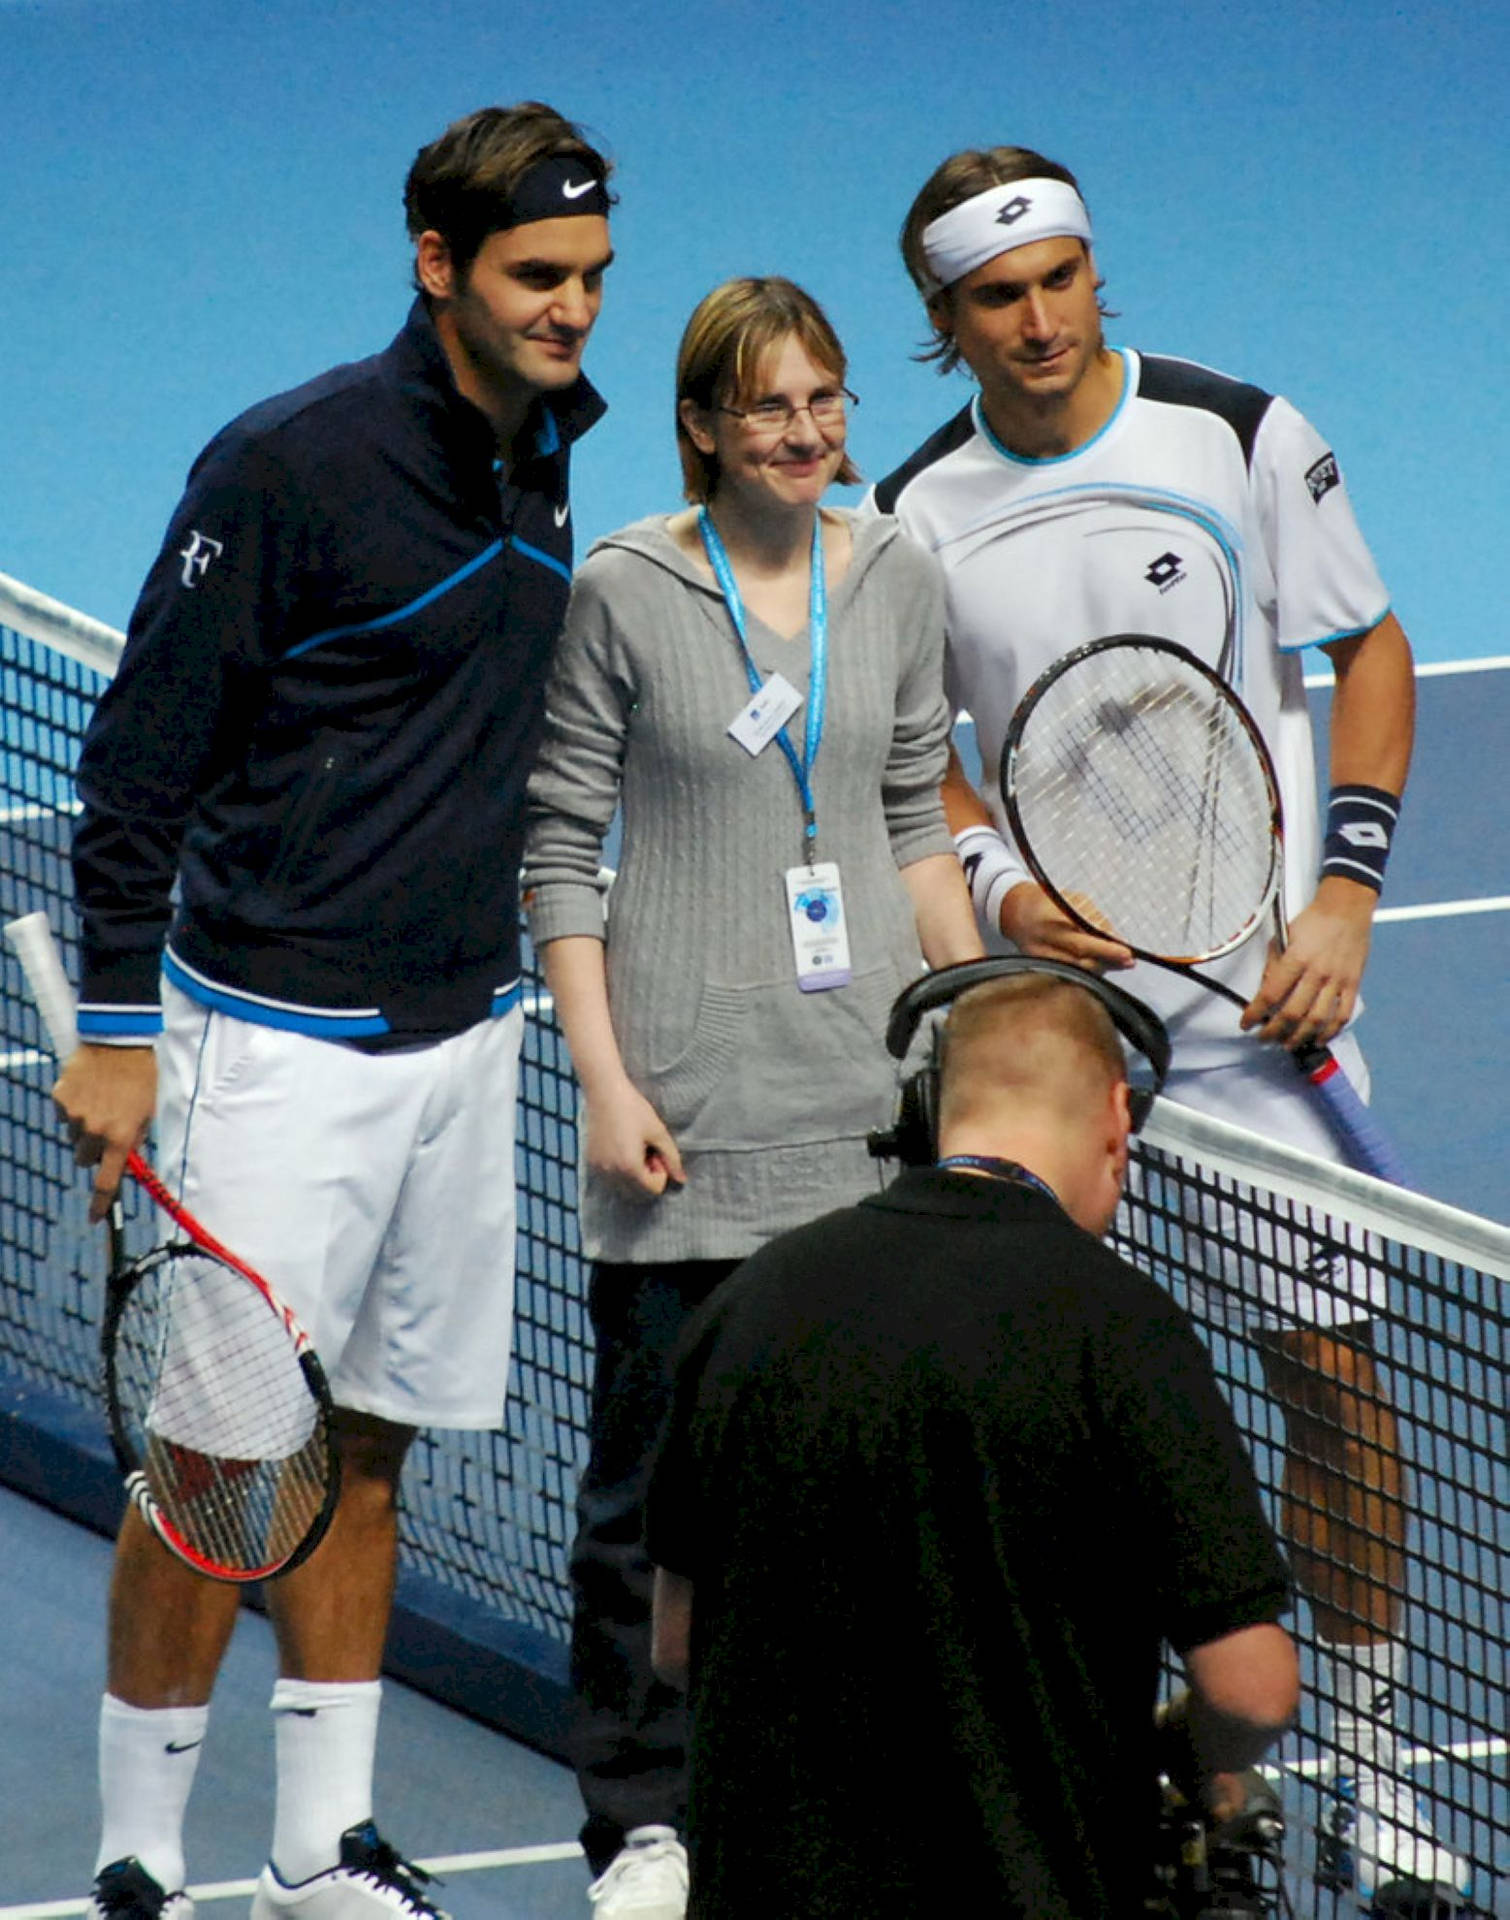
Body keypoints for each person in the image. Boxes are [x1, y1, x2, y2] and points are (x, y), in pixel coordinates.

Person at [870, 143, 1462, 1908]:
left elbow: (1367, 649)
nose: (1040, 320)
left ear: (1092, 272)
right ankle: (1117, 1754)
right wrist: (993, 894)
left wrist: (1346, 900)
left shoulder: (1237, 434)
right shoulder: (913, 515)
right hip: (1052, 1035)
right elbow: (928, 768)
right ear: (945, 319)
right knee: (1049, 1409)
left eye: (1062, 277)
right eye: (998, 296)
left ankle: (1368, 1764)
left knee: (1338, 1384)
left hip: (1265, 1001)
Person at [54, 103, 614, 1920]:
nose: (572, 313)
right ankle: (141, 1862)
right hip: (276, 1047)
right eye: (539, 278)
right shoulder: (286, 467)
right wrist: (123, 1031)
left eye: (593, 281)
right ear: (437, 265)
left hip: (466, 1041)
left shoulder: (543, 453)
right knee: (221, 1474)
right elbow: (134, 771)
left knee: (368, 1451)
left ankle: (319, 1852)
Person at [522, 275, 982, 1919]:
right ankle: (645, 1815)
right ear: (704, 426)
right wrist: (601, 1079)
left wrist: (974, 1021)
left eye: (828, 402)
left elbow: (917, 816)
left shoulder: (900, 575)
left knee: (857, 1484)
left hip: (865, 1116)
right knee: (656, 1501)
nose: (806, 434)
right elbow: (560, 850)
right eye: (770, 408)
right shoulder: (630, 591)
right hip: (685, 1122)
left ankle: (831, 1770)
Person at [646, 965, 1300, 1919]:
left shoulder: (748, 1302)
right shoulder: (1126, 1332)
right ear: (1119, 1118)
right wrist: (1186, 1754)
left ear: (926, 1114)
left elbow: (676, 1642)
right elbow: (1252, 1690)